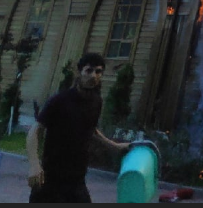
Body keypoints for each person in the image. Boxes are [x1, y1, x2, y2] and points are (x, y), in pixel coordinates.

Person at [26, 52, 130, 203]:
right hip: (50, 179)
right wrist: (34, 165)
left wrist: (115, 146)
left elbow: (91, 130)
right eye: (88, 70)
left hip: (77, 180)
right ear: (79, 72)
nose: (93, 76)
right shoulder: (60, 100)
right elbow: (35, 131)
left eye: (98, 71)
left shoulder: (96, 102)